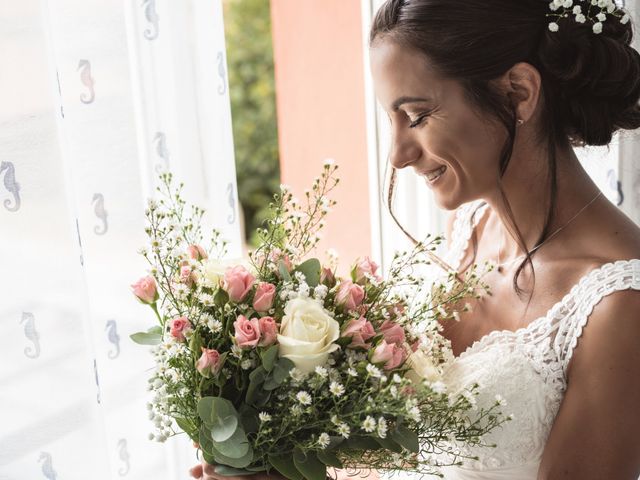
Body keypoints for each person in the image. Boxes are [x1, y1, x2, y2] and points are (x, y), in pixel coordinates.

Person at [191, 0, 640, 478]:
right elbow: (420, 454)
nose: (399, 155)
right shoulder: (469, 235)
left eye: (418, 115)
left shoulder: (620, 306)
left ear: (519, 92)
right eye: (392, 119)